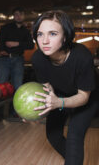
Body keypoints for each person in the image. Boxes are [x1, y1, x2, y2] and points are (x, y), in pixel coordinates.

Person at [31, 10, 99, 165]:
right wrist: (33, 110)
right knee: (53, 135)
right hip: (60, 93)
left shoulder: (82, 57)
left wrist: (59, 103)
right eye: (40, 34)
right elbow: (48, 89)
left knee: (75, 135)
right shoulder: (38, 59)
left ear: (65, 36)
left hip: (87, 97)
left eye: (53, 34)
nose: (45, 41)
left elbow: (83, 97)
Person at [0, 7, 34, 124]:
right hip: (4, 59)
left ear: (23, 16)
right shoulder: (6, 28)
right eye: (16, 14)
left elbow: (31, 45)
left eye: (20, 14)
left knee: (17, 87)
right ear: (13, 16)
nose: (18, 16)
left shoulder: (26, 31)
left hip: (18, 60)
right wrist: (0, 50)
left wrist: (17, 43)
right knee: (1, 86)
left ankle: (13, 113)